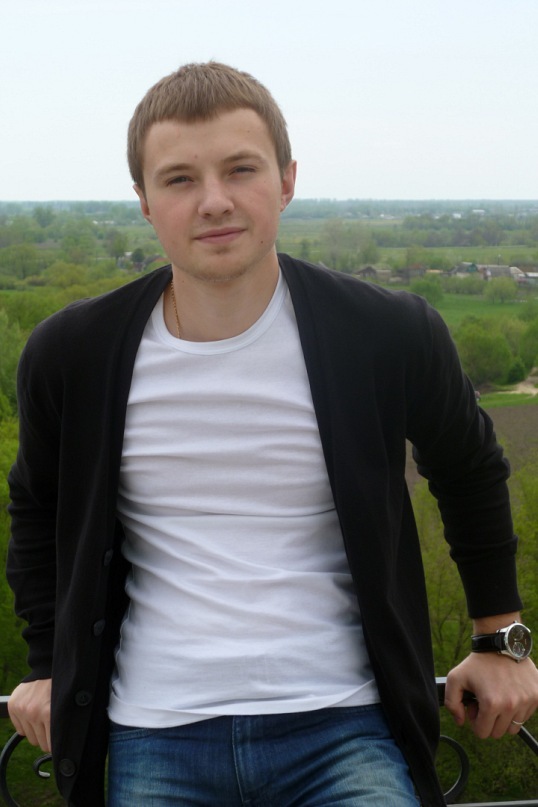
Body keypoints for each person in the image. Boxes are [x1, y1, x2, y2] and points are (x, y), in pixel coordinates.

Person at [6, 62, 538, 807]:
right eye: (180, 179)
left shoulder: (386, 333)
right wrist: (45, 662)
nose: (214, 200)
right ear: (145, 203)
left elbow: (470, 469)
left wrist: (499, 637)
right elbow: (37, 508)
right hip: (154, 731)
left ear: (286, 181)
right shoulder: (74, 354)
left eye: (241, 169)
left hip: (345, 727)